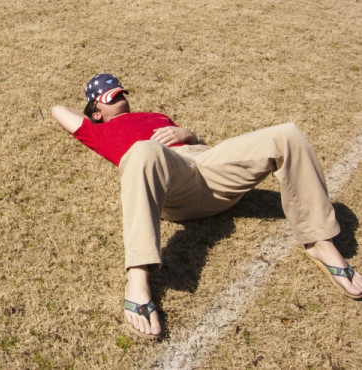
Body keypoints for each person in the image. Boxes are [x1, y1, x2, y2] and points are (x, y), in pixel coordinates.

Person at [51, 73, 362, 340]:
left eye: (120, 92)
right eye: (110, 96)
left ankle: (320, 240)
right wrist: (90, 106)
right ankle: (138, 277)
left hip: (207, 165)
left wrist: (190, 134)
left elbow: (207, 149)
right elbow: (58, 109)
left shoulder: (157, 116)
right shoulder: (98, 131)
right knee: (144, 150)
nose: (119, 97)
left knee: (287, 134)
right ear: (95, 111)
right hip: (174, 183)